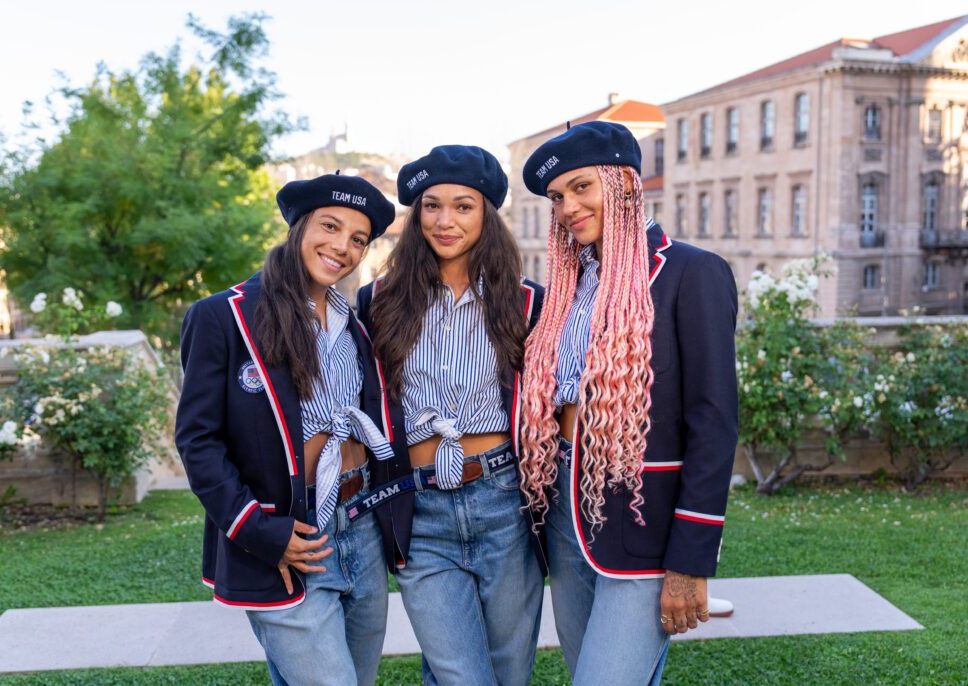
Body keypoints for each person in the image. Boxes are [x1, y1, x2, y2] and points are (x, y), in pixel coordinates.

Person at [518, 121, 738, 685]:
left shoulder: (691, 272)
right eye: (556, 197)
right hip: (564, 510)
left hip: (644, 518)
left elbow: (714, 424)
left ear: (623, 184)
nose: (567, 208)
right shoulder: (568, 286)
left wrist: (690, 560)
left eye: (581, 187)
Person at [175, 173, 397, 686]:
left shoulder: (355, 324)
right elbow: (197, 440)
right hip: (288, 534)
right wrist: (257, 529)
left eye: (358, 239)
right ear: (299, 227)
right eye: (329, 226)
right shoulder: (222, 317)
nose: (342, 247)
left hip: (360, 526)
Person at [356, 145, 545, 686]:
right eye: (431, 206)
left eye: (463, 206)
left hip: (503, 500)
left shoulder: (527, 303)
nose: (445, 221)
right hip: (420, 509)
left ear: (487, 215)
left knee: (509, 671)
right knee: (459, 673)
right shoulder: (377, 301)